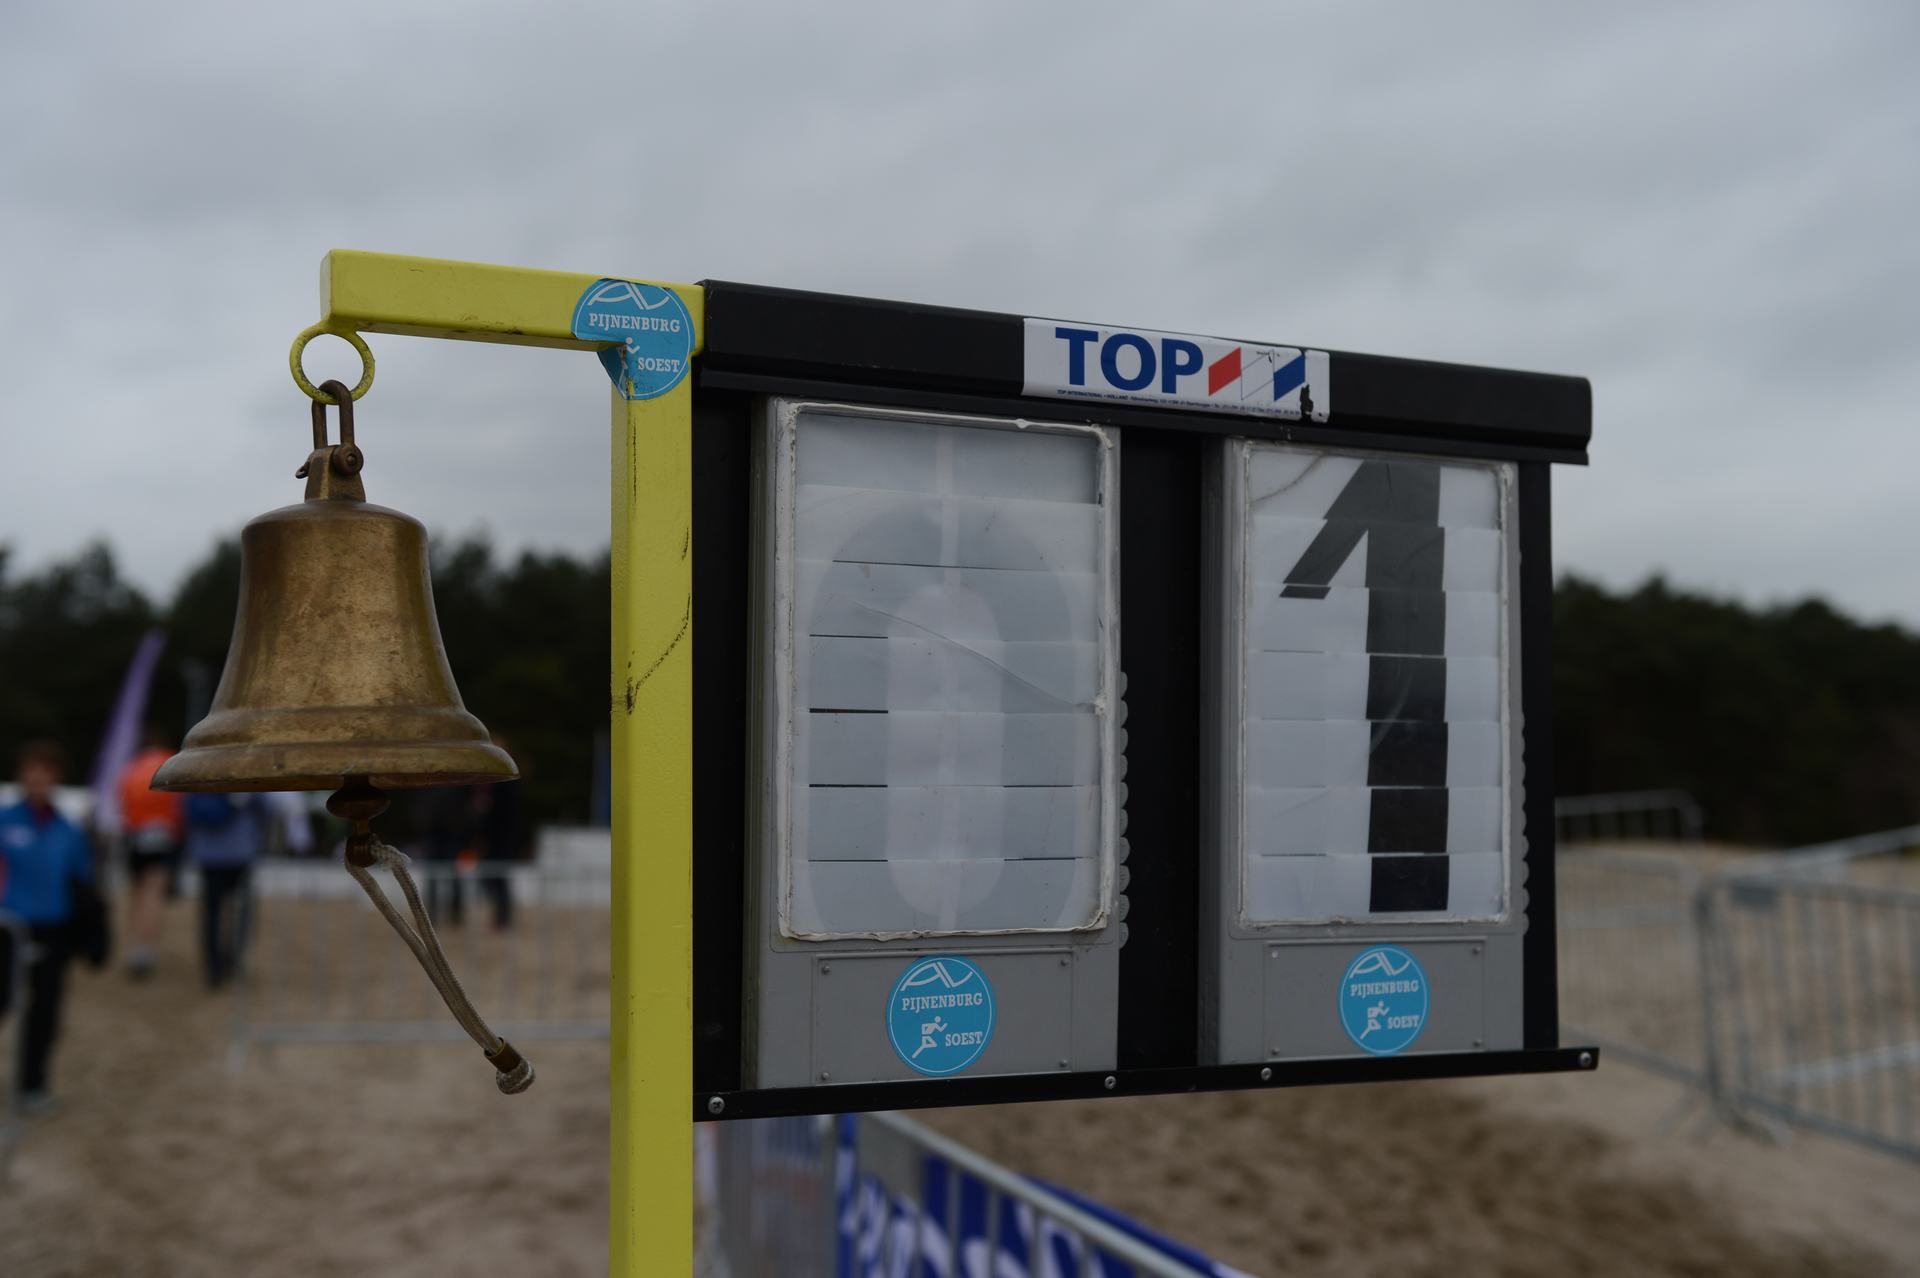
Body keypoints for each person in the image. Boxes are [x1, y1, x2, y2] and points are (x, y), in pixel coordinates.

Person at [0, 740, 98, 1112]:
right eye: (31, 773)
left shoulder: (67, 829)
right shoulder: (5, 820)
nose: (38, 780)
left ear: (55, 778)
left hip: (54, 930)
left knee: (45, 1012)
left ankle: (33, 1085)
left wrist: (89, 934)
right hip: (8, 929)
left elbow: (82, 882)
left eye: (45, 773)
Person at [117, 729, 183, 979]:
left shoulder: (131, 768)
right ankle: (145, 949)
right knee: (153, 894)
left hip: (135, 837)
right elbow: (181, 805)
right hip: (164, 838)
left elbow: (121, 802)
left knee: (137, 893)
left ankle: (133, 945)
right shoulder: (172, 762)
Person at [182, 791, 265, 989]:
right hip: (240, 851)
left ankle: (215, 965)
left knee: (213, 913)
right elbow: (265, 809)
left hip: (211, 853)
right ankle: (231, 959)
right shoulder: (247, 784)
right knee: (240, 911)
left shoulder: (199, 780)